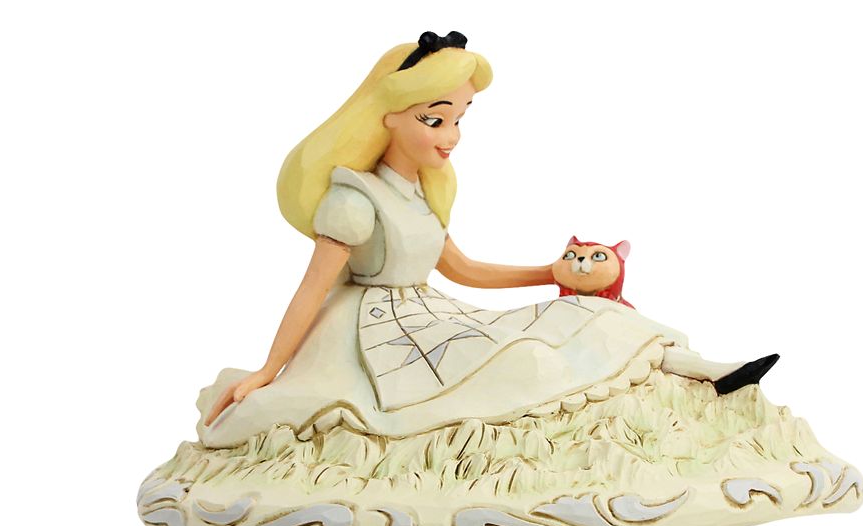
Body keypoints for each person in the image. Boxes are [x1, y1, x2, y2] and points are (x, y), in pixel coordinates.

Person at [201, 31, 776, 447]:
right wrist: (269, 369)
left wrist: (551, 274)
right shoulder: (354, 201)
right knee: (528, 358)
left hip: (427, 313)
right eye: (434, 119)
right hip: (377, 332)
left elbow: (462, 270)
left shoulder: (420, 195)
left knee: (583, 314)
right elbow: (311, 289)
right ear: (388, 116)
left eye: (459, 118)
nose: (451, 135)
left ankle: (707, 372)